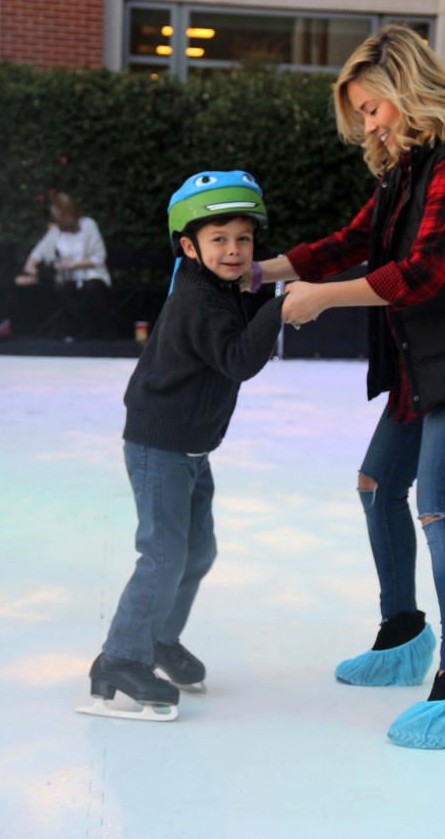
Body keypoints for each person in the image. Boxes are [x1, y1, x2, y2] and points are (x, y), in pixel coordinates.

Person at [245, 25, 445, 750]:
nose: (367, 124)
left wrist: (320, 299)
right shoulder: (406, 171)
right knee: (377, 486)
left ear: (407, 90)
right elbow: (354, 241)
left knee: (442, 507)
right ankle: (402, 634)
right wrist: (262, 270)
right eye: (360, 113)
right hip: (431, 362)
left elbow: (421, 274)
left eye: (372, 108)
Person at [78, 170, 286, 721]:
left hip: (192, 448)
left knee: (196, 551)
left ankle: (159, 638)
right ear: (190, 247)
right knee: (165, 554)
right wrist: (280, 309)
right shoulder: (200, 302)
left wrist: (266, 300)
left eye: (243, 238)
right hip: (160, 446)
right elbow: (240, 359)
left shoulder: (223, 291)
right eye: (219, 239)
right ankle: (120, 658)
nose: (234, 250)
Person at [15, 193, 112, 338]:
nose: (57, 221)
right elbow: (38, 252)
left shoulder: (89, 225)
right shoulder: (56, 231)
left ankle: (98, 329)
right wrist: (31, 266)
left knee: (92, 288)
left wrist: (73, 265)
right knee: (62, 288)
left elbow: (99, 257)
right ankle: (81, 329)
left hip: (92, 275)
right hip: (68, 279)